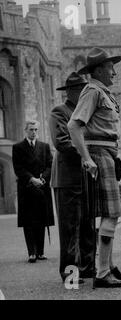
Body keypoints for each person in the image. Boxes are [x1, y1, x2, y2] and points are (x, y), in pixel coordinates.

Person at [68, 47, 121, 288]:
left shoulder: (103, 92)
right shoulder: (92, 91)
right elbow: (74, 126)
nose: (114, 72)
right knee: (112, 213)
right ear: (98, 70)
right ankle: (103, 273)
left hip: (108, 153)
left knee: (110, 213)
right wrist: (87, 158)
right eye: (109, 67)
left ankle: (109, 266)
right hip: (99, 153)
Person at [49, 72, 95, 283]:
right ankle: (70, 273)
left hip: (86, 176)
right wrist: (87, 155)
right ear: (72, 92)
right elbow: (61, 143)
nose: (85, 94)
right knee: (70, 228)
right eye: (82, 91)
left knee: (87, 225)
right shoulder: (60, 112)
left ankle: (87, 267)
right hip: (67, 178)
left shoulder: (85, 112)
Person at [12, 120, 54, 263]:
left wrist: (43, 178)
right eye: (31, 129)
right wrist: (31, 179)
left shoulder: (44, 146)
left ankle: (41, 252)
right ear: (26, 130)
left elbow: (50, 164)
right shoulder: (18, 147)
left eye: (36, 129)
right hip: (27, 188)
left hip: (42, 188)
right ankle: (32, 252)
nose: (33, 132)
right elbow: (18, 168)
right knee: (29, 221)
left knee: (41, 220)